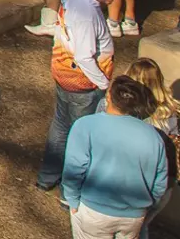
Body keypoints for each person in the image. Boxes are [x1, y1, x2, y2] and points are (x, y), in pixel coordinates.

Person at [38, 0, 121, 192]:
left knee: (60, 126)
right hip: (83, 84)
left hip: (62, 72)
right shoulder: (88, 16)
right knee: (81, 139)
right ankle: (70, 190)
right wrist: (103, 84)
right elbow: (85, 56)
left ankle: (47, 176)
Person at [64, 74, 170, 238]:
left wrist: (72, 199)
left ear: (108, 97)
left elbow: (74, 169)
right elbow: (160, 179)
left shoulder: (85, 126)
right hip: (133, 216)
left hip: (93, 211)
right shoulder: (153, 136)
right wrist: (146, 205)